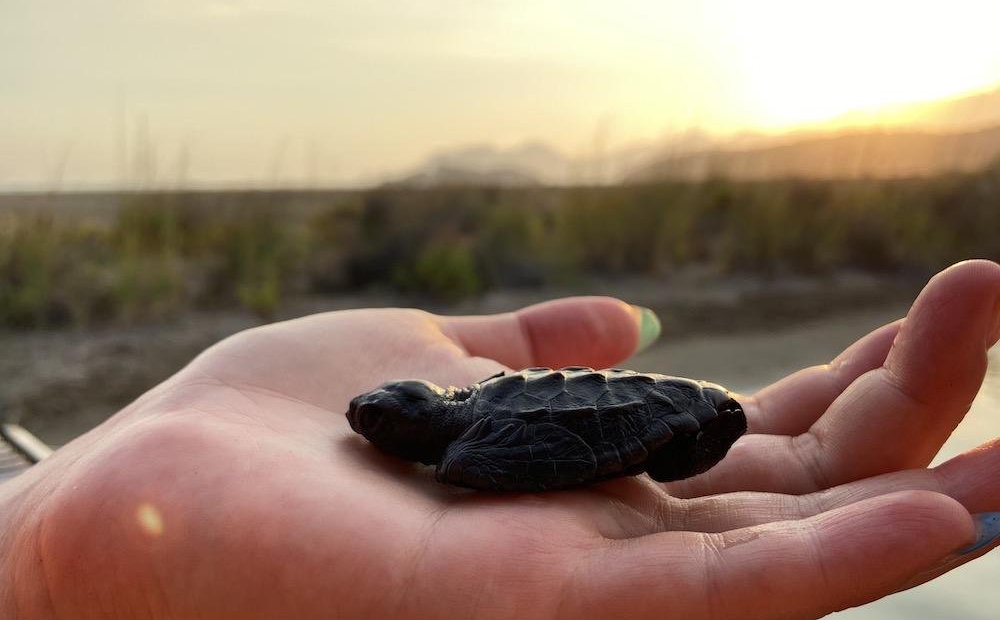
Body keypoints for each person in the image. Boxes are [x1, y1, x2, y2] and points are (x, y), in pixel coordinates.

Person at [1, 259, 999, 619]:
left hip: (663, 411)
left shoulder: (468, 442)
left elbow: (558, 420)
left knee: (718, 424)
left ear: (419, 418)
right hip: (653, 407)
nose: (363, 426)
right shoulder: (462, 434)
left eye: (378, 420)